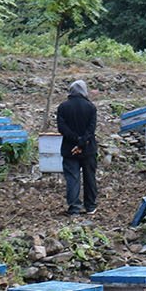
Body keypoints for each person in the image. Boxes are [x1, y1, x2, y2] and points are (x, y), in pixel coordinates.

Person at [55, 79, 98, 216]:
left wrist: (75, 141)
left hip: (69, 149)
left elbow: (62, 128)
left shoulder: (63, 107)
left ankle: (74, 208)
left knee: (72, 179)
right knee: (89, 178)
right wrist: (82, 142)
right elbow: (91, 129)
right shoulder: (91, 107)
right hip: (88, 148)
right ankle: (90, 206)